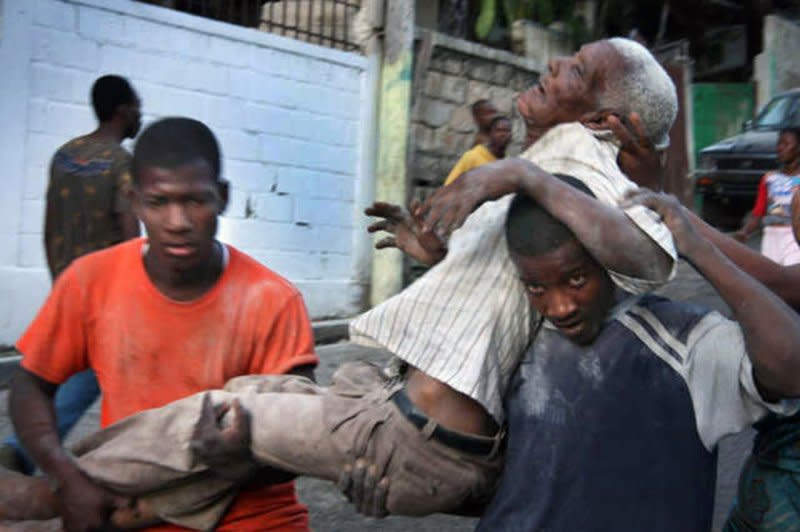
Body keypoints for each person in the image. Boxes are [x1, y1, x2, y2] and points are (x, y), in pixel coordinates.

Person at [0, 37, 679, 529]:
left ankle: (53, 497)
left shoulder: (574, 167)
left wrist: (519, 175)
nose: (557, 64)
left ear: (603, 120)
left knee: (215, 418)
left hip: (416, 441)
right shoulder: (551, 170)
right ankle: (126, 509)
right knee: (239, 407)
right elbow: (502, 304)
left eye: (579, 69)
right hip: (399, 411)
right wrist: (437, 254)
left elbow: (650, 255)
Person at [6, 117, 319, 532]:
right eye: (158, 202)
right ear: (134, 201)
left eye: (195, 200)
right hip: (128, 513)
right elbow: (32, 384)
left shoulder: (273, 300)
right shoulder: (89, 281)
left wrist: (238, 464)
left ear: (222, 197)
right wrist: (66, 478)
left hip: (255, 518)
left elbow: (305, 442)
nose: (177, 221)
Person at [472, 184, 800, 531]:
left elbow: (791, 368)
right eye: (536, 287)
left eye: (577, 279)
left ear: (607, 257)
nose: (560, 307)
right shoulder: (514, 335)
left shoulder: (683, 342)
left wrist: (698, 249)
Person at [0, 75, 142, 475]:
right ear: (123, 109)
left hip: (67, 283)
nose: (140, 112)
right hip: (110, 291)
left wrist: (60, 282)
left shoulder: (63, 156)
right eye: (136, 104)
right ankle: (25, 451)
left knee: (69, 372)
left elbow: (48, 225)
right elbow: (130, 233)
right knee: (103, 374)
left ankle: (24, 449)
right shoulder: (122, 163)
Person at [733, 127, 800, 265]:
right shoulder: (769, 178)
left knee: (791, 277)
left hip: (794, 237)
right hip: (771, 237)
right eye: (779, 143)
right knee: (772, 282)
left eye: (786, 144)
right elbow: (758, 212)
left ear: (798, 148)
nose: (780, 148)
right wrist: (744, 232)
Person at [443, 115, 511, 186]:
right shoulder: (472, 156)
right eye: (499, 130)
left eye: (507, 131)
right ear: (490, 133)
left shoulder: (509, 164)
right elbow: (449, 185)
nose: (503, 134)